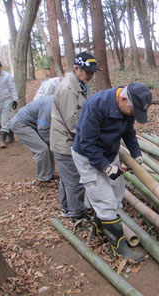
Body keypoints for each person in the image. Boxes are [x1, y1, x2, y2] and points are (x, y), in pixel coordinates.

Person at [71, 83, 152, 262]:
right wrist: (107, 168)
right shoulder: (95, 105)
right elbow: (87, 144)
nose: (133, 115)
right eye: (133, 111)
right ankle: (118, 249)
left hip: (109, 153)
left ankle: (98, 230)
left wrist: (136, 154)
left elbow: (129, 134)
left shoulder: (127, 107)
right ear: (123, 99)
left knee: (116, 195)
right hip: (87, 157)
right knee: (105, 201)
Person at [50, 52, 98, 223]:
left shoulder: (80, 84)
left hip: (69, 139)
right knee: (75, 181)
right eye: (87, 72)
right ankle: (76, 215)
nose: (90, 76)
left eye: (92, 73)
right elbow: (73, 124)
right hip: (66, 141)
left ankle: (66, 208)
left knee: (66, 178)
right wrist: (93, 140)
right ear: (76, 68)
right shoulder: (68, 90)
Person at [10, 95, 56, 185]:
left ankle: (49, 174)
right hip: (21, 124)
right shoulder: (50, 105)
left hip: (33, 124)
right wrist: (52, 142)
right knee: (41, 149)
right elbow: (43, 129)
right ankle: (43, 179)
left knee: (47, 146)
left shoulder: (59, 101)